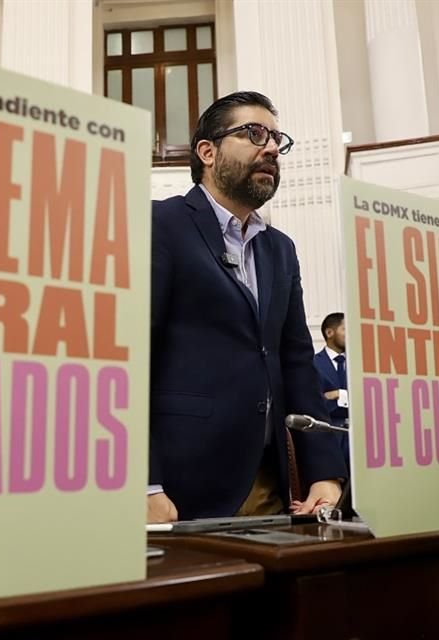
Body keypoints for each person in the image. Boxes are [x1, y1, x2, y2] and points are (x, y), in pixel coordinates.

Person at [147, 91, 346, 523]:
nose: (272, 148)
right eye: (255, 133)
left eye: (277, 139)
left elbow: (295, 362)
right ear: (207, 151)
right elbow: (129, 358)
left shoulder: (280, 249)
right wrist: (145, 482)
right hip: (177, 490)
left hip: (267, 485)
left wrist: (326, 473)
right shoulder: (160, 225)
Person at [313, 313, 349, 466]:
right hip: (328, 442)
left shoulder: (362, 362)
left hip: (361, 443)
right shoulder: (313, 364)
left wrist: (339, 395)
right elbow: (315, 403)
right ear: (329, 333)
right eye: (345, 329)